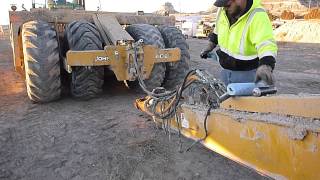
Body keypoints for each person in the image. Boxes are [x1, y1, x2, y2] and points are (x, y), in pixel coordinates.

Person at [200, 0, 278, 86]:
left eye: (228, 5)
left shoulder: (257, 15)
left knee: (246, 100)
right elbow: (218, 29)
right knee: (226, 98)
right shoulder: (223, 10)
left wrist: (266, 65)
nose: (225, 8)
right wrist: (211, 44)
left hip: (247, 75)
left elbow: (266, 43)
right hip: (226, 71)